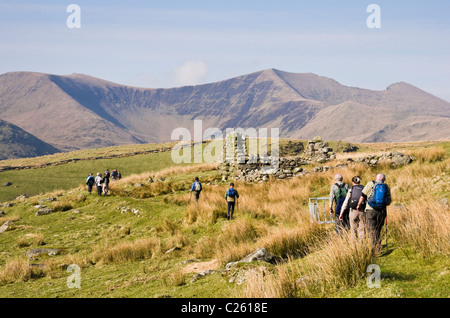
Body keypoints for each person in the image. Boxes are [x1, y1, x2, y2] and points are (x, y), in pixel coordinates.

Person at [357, 173, 392, 253]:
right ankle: (378, 248)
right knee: (378, 230)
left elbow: (363, 195)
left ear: (376, 178)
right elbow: (389, 201)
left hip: (370, 210)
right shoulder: (386, 187)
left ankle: (373, 250)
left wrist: (359, 205)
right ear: (384, 179)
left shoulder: (370, 184)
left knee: (371, 230)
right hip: (382, 212)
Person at [340, 176, 365, 241]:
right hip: (362, 211)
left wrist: (341, 213)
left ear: (352, 182)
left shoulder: (351, 190)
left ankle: (354, 246)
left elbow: (345, 202)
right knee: (362, 228)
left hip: (353, 211)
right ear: (359, 181)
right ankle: (362, 245)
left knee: (353, 229)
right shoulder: (364, 189)